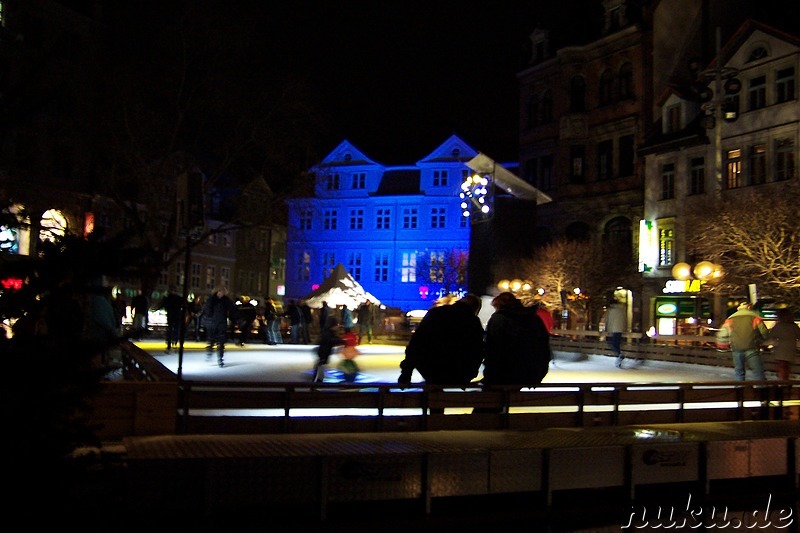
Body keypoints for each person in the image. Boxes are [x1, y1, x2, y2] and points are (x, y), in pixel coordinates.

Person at [398, 294, 485, 388]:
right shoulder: (473, 321)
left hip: (430, 368)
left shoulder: (436, 313)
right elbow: (477, 349)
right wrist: (469, 374)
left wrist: (406, 373)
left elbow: (417, 342)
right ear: (475, 308)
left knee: (431, 393)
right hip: (459, 372)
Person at [480, 291, 551, 390]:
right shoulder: (533, 318)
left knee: (489, 400)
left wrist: (489, 372)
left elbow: (493, 347)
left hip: (504, 373)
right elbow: (543, 345)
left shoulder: (499, 319)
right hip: (531, 372)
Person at [716, 302, 769, 381]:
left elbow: (722, 334)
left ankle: (739, 390)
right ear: (749, 307)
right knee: (758, 372)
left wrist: (722, 345)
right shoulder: (755, 317)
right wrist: (761, 341)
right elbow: (764, 333)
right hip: (752, 348)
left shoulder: (730, 319)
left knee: (739, 372)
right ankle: (761, 391)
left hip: (736, 348)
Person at [202, 286, 236, 368]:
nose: (221, 294)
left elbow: (233, 310)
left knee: (221, 342)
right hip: (212, 323)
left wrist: (236, 318)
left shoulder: (226, 301)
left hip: (221, 323)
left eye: (222, 292)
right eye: (219, 292)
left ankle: (220, 358)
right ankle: (210, 350)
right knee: (211, 340)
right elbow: (207, 310)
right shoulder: (211, 300)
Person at [767, 307, 800, 380]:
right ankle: (786, 380)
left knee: (781, 366)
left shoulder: (778, 326)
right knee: (787, 366)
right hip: (791, 348)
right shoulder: (794, 326)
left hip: (780, 349)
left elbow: (771, 337)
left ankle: (782, 381)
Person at [314, 315, 346, 382]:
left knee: (322, 366)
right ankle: (316, 382)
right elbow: (330, 339)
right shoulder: (326, 332)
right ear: (332, 325)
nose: (337, 327)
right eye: (336, 325)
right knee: (320, 366)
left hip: (325, 352)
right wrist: (341, 341)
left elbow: (334, 338)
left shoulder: (329, 331)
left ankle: (319, 380)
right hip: (323, 352)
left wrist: (341, 340)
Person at [602, 298, 627, 368]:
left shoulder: (610, 310)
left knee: (611, 343)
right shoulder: (622, 310)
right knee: (617, 343)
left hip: (612, 329)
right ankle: (619, 357)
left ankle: (619, 355)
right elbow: (625, 319)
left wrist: (606, 329)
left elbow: (607, 320)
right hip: (620, 329)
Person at [158, 287, 185, 354]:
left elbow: (162, 305)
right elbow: (185, 305)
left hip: (171, 316)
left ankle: (170, 345)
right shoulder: (179, 298)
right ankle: (174, 343)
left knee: (170, 330)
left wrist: (156, 308)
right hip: (177, 316)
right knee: (176, 330)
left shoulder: (168, 298)